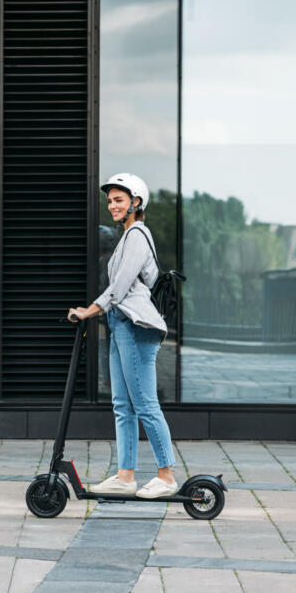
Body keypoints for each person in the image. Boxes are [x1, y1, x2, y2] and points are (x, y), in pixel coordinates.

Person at [67, 173, 178, 499]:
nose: (111, 205)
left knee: (145, 404)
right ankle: (125, 475)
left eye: (119, 200)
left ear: (136, 203)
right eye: (110, 200)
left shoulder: (138, 236)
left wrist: (89, 310)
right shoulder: (127, 236)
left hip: (136, 328)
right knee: (122, 405)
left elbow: (120, 286)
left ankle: (167, 475)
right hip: (119, 326)